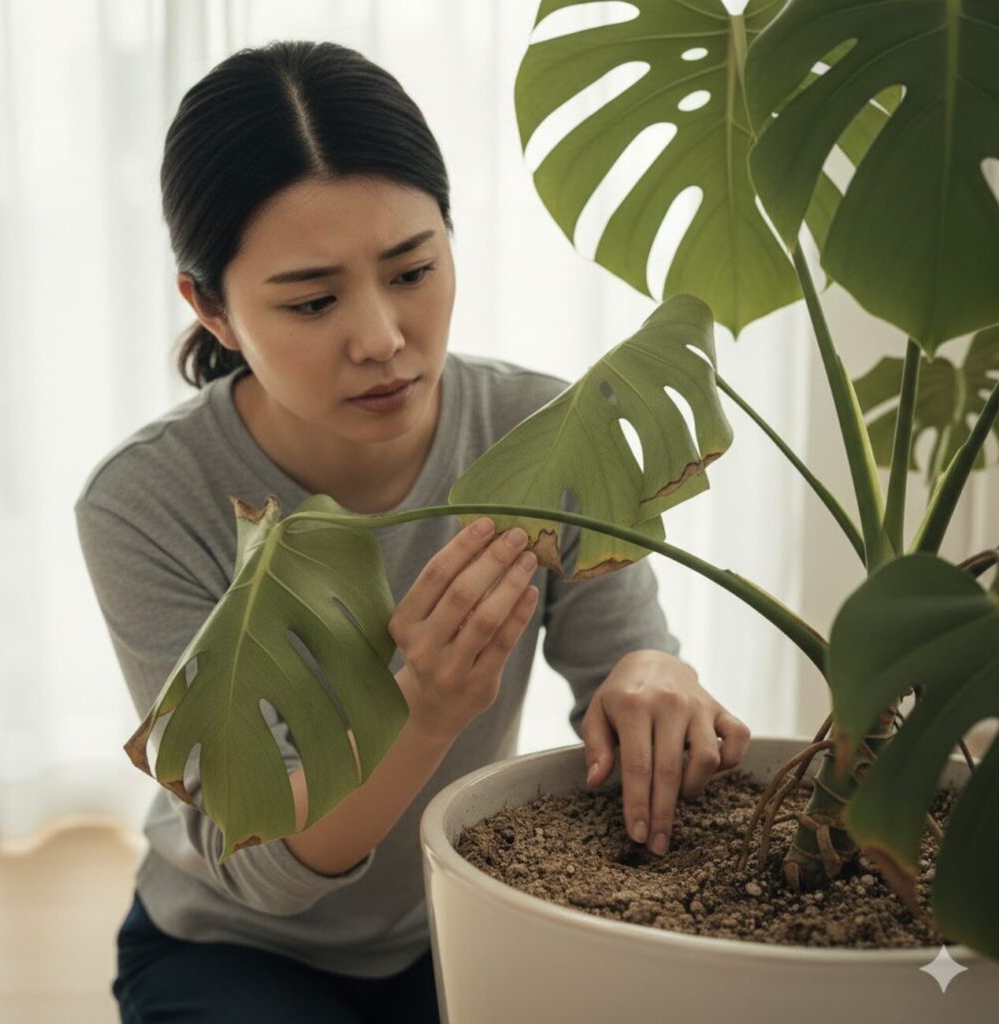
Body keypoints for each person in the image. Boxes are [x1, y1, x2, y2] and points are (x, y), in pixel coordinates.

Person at [74, 39, 750, 1024]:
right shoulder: (147, 501)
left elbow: (624, 665)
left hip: (470, 912)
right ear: (210, 309)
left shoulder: (540, 429)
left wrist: (653, 675)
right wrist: (422, 707)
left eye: (412, 269)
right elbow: (259, 869)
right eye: (312, 300)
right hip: (234, 948)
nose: (383, 337)